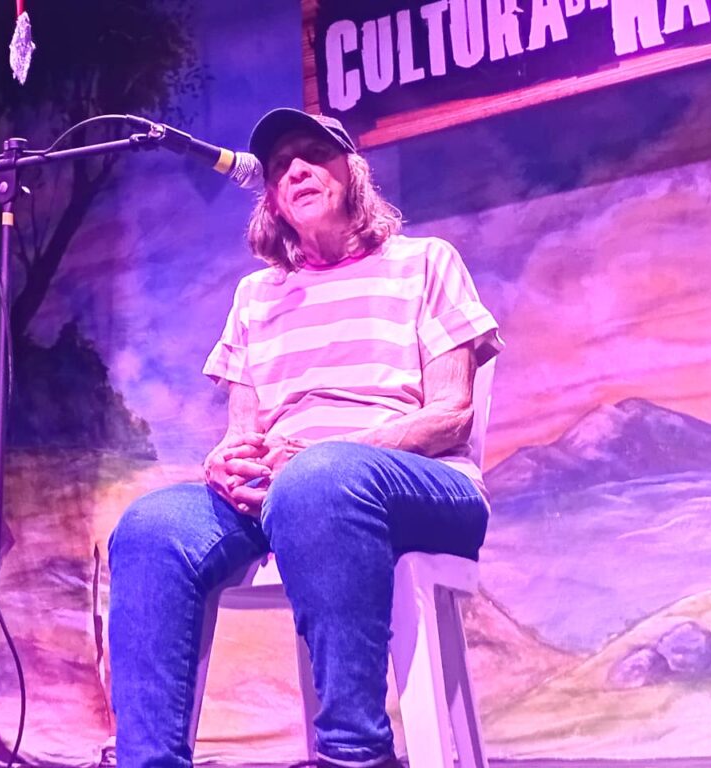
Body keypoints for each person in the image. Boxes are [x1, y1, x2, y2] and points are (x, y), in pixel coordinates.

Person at [107, 108, 503, 768]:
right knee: (151, 528)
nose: (295, 169)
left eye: (314, 154)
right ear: (270, 199)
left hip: (420, 487)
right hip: (288, 490)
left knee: (321, 481)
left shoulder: (425, 262)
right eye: (279, 165)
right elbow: (243, 433)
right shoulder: (255, 296)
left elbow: (451, 414)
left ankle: (355, 753)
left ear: (353, 173)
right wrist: (224, 462)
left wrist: (328, 459)